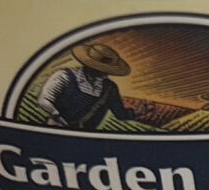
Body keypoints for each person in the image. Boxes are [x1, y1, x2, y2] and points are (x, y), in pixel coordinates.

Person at [35, 38, 189, 129]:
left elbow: (120, 114)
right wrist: (59, 118)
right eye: (102, 68)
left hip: (85, 136)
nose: (105, 72)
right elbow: (44, 100)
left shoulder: (109, 88)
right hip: (57, 129)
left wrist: (140, 112)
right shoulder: (64, 76)